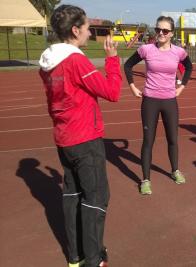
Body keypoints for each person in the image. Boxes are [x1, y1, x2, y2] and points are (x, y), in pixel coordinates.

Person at [38, 5, 121, 267]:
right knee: (96, 198)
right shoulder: (76, 60)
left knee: (72, 195)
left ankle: (76, 256)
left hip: (65, 138)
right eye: (86, 28)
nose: (88, 33)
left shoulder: (49, 63)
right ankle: (93, 260)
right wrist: (112, 59)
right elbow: (112, 91)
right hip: (85, 138)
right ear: (75, 30)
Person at [124, 16, 193, 195]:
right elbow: (128, 65)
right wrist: (132, 86)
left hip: (170, 101)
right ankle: (145, 180)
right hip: (150, 101)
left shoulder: (178, 52)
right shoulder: (146, 49)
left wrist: (182, 87)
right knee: (148, 141)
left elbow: (189, 66)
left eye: (165, 31)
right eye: (158, 30)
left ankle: (175, 170)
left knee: (173, 139)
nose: (160, 33)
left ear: (171, 33)